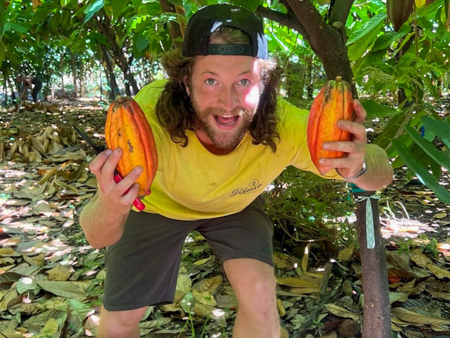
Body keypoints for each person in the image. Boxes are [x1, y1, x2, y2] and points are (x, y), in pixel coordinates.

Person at [79, 4, 394, 338]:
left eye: (243, 81)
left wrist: (358, 164)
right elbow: (96, 235)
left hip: (235, 205)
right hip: (156, 204)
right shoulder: (148, 120)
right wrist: (112, 205)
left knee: (261, 297)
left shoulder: (282, 122)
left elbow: (382, 172)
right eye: (211, 80)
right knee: (121, 318)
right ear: (186, 82)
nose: (228, 103)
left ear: (264, 81)